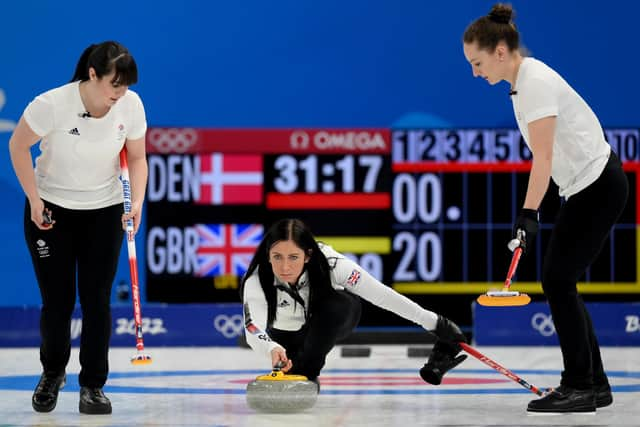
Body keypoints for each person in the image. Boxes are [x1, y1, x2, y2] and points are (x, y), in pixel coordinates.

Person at [463, 4, 628, 414]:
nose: (475, 72)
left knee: (556, 281)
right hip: (591, 186)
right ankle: (595, 384)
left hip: (599, 186)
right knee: (560, 281)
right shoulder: (524, 82)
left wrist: (528, 215)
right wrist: (533, 213)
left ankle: (579, 386)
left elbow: (544, 158)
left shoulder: (533, 82)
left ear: (500, 51)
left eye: (477, 62)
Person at [8, 41, 148, 415]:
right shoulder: (51, 104)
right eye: (114, 85)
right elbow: (18, 146)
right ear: (92, 75)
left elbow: (137, 157)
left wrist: (136, 202)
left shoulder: (130, 106)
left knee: (97, 301)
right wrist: (35, 200)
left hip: (104, 212)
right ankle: (52, 374)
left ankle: (93, 386)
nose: (121, 94)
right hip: (51, 211)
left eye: (126, 86)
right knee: (58, 302)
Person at [240, 218, 468, 388]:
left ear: (308, 255)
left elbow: (382, 295)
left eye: (293, 257)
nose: (285, 267)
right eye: (277, 257)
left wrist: (437, 323)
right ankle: (297, 364)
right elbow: (253, 328)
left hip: (331, 322)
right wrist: (271, 347)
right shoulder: (256, 280)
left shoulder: (330, 263)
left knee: (338, 304)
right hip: (286, 333)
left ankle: (307, 372)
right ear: (268, 255)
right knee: (287, 351)